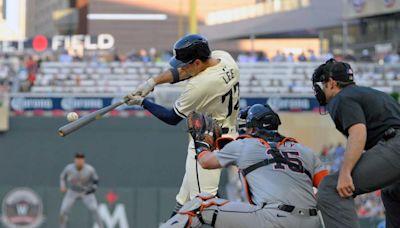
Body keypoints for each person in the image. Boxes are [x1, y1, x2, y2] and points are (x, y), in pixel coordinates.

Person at [124, 34, 240, 215]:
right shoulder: (224, 58)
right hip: (228, 134)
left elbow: (172, 118)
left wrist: (143, 102)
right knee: (183, 203)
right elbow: (186, 72)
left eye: (185, 63)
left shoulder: (200, 85)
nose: (182, 68)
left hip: (207, 142)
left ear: (197, 63)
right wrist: (152, 82)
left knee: (203, 207)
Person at [162, 104, 328, 227]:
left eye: (246, 126)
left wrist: (200, 141)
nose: (243, 130)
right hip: (313, 222)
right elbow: (327, 188)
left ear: (253, 128)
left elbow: (205, 161)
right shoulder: (305, 151)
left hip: (273, 219)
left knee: (200, 205)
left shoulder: (245, 145)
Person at [311, 58, 400, 228]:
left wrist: (345, 173)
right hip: (394, 147)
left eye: (323, 84)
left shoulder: (341, 98)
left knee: (330, 188)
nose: (322, 89)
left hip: (395, 146)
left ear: (331, 83)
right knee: (392, 193)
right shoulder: (371, 93)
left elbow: (358, 133)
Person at [59, 153, 103, 228]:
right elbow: (62, 177)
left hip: (85, 192)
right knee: (63, 211)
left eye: (81, 159)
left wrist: (93, 188)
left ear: (84, 160)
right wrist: (63, 185)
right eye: (77, 159)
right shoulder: (69, 168)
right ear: (75, 160)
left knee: (95, 209)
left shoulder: (89, 169)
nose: (79, 161)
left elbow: (96, 180)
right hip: (72, 192)